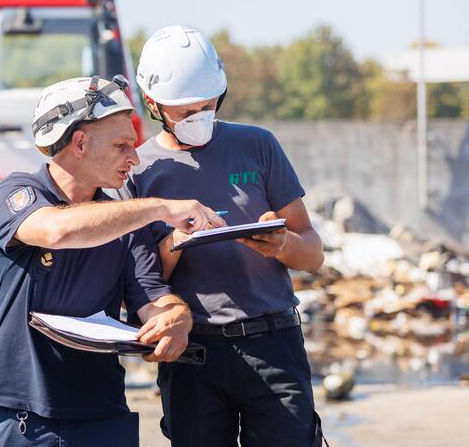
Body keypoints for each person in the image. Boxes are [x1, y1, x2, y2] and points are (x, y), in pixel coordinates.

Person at [0, 75, 225, 447]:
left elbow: (153, 298)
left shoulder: (127, 221)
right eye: (122, 145)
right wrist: (157, 208)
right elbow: (57, 231)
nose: (134, 158)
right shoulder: (17, 192)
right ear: (80, 142)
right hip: (19, 418)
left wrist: (176, 320)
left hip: (101, 420)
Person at [116, 26, 326, 446]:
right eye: (185, 110)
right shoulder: (137, 172)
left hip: (274, 343)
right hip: (194, 352)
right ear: (153, 104)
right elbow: (139, 282)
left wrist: (284, 244)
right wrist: (176, 239)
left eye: (207, 105)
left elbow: (312, 253)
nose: (199, 117)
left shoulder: (258, 145)